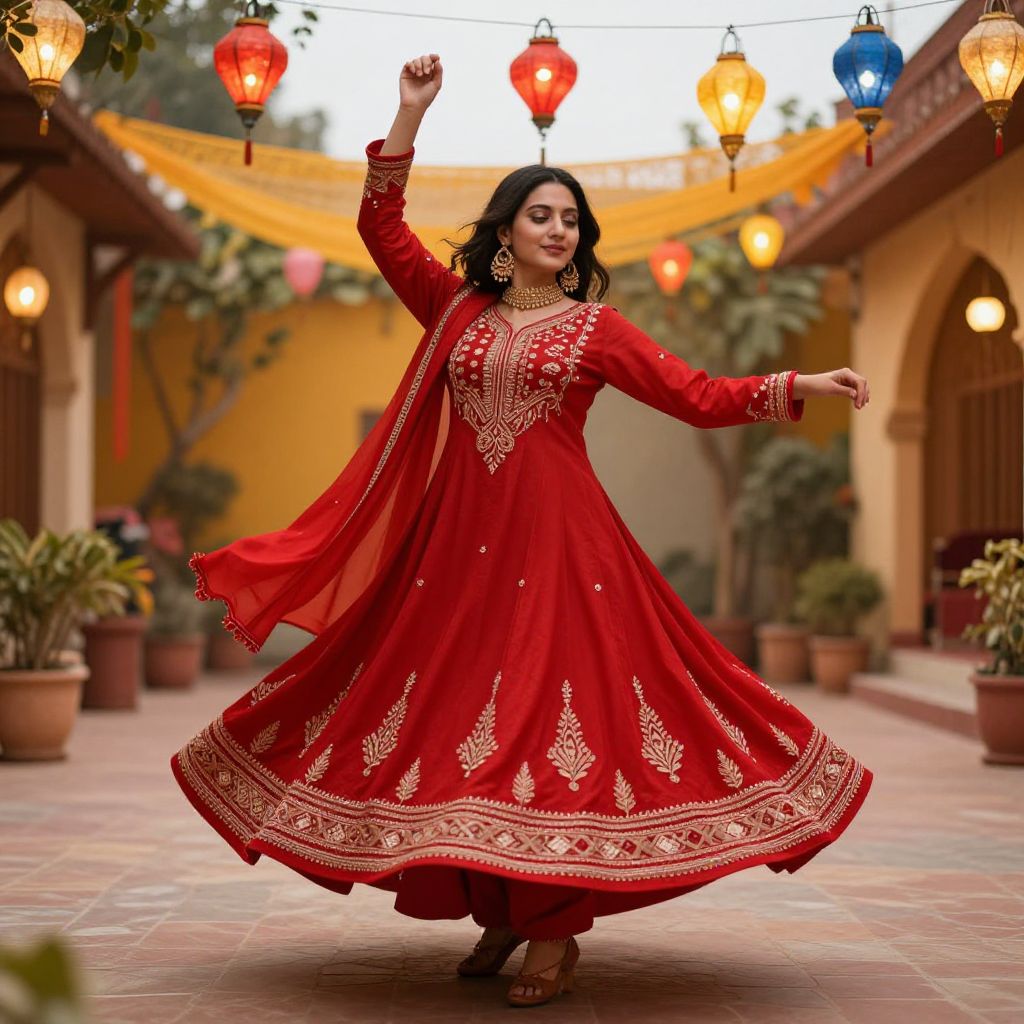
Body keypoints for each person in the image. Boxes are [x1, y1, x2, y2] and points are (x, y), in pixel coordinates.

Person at [176, 53, 874, 1009]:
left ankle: (550, 929)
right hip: (453, 557)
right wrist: (408, 113)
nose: (558, 228)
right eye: (540, 215)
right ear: (505, 234)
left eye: (570, 219)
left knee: (546, 727)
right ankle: (501, 905)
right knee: (462, 721)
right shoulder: (453, 310)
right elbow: (380, 228)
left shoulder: (597, 328)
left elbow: (698, 395)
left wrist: (797, 386)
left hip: (561, 554)